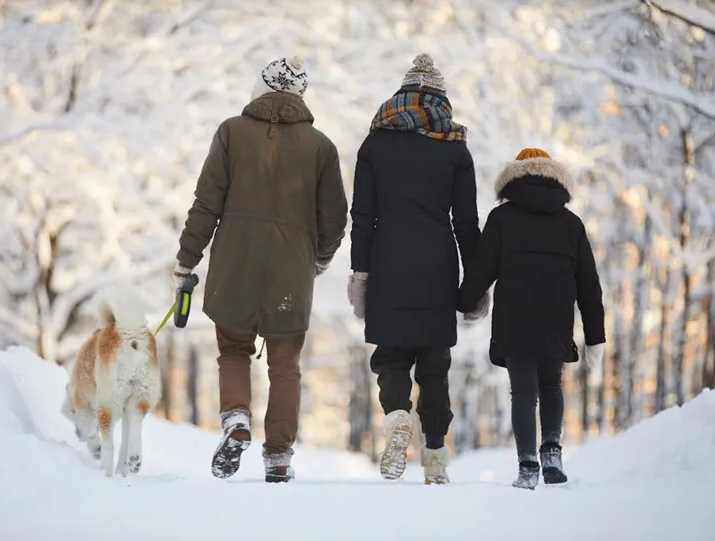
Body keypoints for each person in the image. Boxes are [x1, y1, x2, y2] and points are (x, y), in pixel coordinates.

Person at [174, 56, 348, 483]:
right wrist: (318, 259)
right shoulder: (321, 147)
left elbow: (206, 202)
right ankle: (279, 456)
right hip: (291, 272)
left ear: (260, 89)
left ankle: (235, 418)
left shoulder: (231, 132)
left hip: (234, 264)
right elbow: (336, 219)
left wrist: (187, 259)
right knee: (284, 364)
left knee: (233, 349)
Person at [348, 53, 487, 485]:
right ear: (441, 100)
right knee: (434, 362)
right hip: (436, 265)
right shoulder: (454, 147)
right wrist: (476, 282)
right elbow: (466, 222)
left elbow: (362, 217)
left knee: (391, 355)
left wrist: (360, 274)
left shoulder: (375, 143)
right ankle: (434, 456)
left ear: (400, 96)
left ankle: (396, 420)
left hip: (387, 260)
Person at [457, 148, 606, 489]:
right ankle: (551, 450)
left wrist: (462, 304)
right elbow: (589, 285)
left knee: (523, 392)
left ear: (514, 177)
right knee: (551, 384)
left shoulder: (502, 219)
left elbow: (481, 271)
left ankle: (527, 465)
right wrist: (595, 336)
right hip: (556, 317)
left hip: (514, 317)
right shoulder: (572, 224)